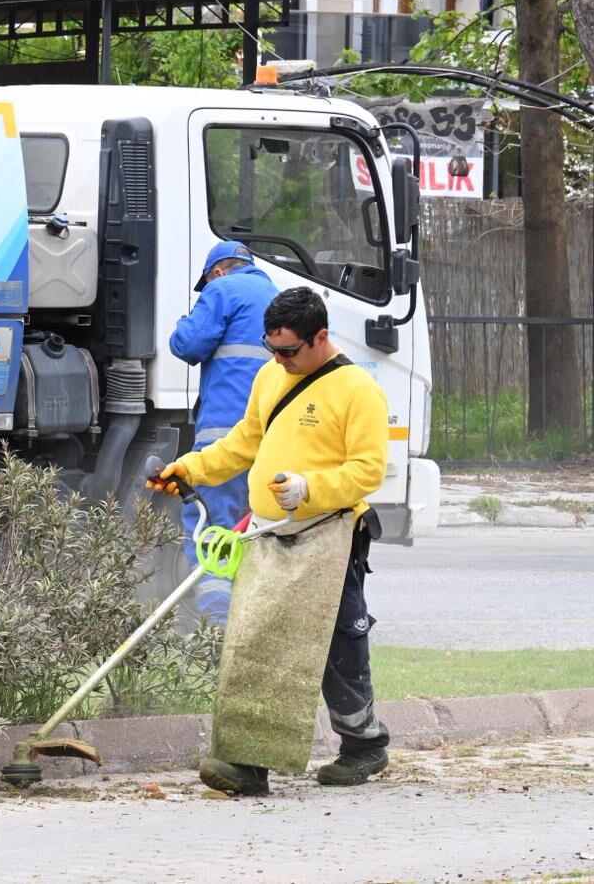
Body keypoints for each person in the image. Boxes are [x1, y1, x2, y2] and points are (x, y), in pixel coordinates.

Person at [150, 285, 390, 794]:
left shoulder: (357, 390)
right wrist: (189, 469)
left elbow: (368, 471)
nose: (278, 360)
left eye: (288, 351)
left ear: (320, 337)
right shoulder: (271, 377)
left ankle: (364, 744)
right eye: (271, 349)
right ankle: (246, 763)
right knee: (257, 640)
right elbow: (243, 444)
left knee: (334, 645)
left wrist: (312, 488)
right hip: (269, 533)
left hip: (330, 534)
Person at [167, 240, 276, 624]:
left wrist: (183, 323)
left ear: (217, 270)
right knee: (251, 529)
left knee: (208, 523)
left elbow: (188, 344)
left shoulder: (223, 289)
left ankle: (219, 626)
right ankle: (249, 620)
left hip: (225, 432)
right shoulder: (276, 296)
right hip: (271, 438)